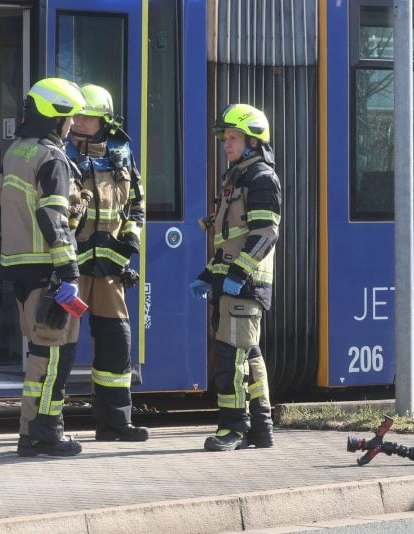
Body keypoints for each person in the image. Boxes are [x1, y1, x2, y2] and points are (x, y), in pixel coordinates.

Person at [0, 77, 87, 457]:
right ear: (56, 118)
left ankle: (31, 433)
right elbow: (53, 216)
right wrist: (68, 270)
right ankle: (45, 431)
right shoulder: (51, 158)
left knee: (39, 349)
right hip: (47, 268)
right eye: (70, 120)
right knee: (54, 352)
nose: (72, 127)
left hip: (19, 266)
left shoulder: (16, 150)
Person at [190, 103, 282, 451]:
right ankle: (260, 428)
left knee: (233, 359)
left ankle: (234, 429)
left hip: (246, 284)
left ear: (253, 142)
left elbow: (265, 233)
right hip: (231, 284)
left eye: (233, 138)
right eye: (225, 138)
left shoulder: (261, 179)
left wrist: (239, 273)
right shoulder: (235, 178)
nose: (226, 145)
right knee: (249, 355)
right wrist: (208, 275)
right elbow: (228, 241)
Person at [65, 84, 149, 442]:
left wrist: (128, 242)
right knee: (60, 343)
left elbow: (137, 207)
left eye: (87, 116)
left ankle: (116, 423)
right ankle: (49, 427)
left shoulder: (122, 153)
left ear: (104, 119)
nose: (79, 121)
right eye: (77, 115)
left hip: (110, 270)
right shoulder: (62, 152)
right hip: (70, 269)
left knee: (116, 343)